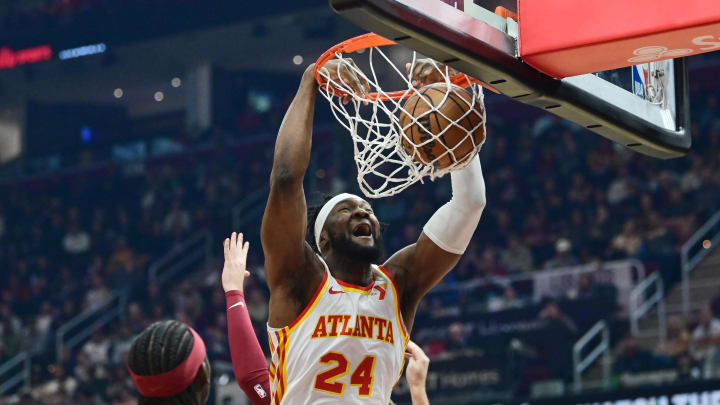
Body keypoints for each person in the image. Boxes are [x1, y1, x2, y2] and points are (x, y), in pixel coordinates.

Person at [261, 58, 486, 404]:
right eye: (347, 210)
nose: (362, 212)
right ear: (323, 239)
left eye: (367, 210)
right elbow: (286, 179)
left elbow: (470, 203)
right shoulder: (300, 281)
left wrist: (450, 98)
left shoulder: (398, 284)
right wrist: (311, 80)